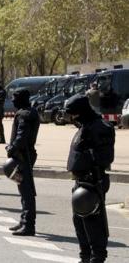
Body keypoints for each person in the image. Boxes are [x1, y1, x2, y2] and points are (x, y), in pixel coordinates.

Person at [65, 94, 114, 263]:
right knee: (79, 223)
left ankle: (97, 258)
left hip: (93, 182)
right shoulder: (85, 126)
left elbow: (105, 156)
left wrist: (89, 156)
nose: (72, 118)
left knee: (94, 225)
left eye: (73, 114)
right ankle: (85, 257)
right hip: (81, 182)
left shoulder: (100, 127)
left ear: (82, 111)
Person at [5, 88, 40, 236]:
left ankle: (28, 225)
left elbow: (22, 136)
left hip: (23, 155)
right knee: (23, 189)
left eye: (15, 97)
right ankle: (24, 220)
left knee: (26, 191)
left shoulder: (25, 114)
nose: (13, 100)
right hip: (24, 154)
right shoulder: (29, 112)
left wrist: (12, 148)